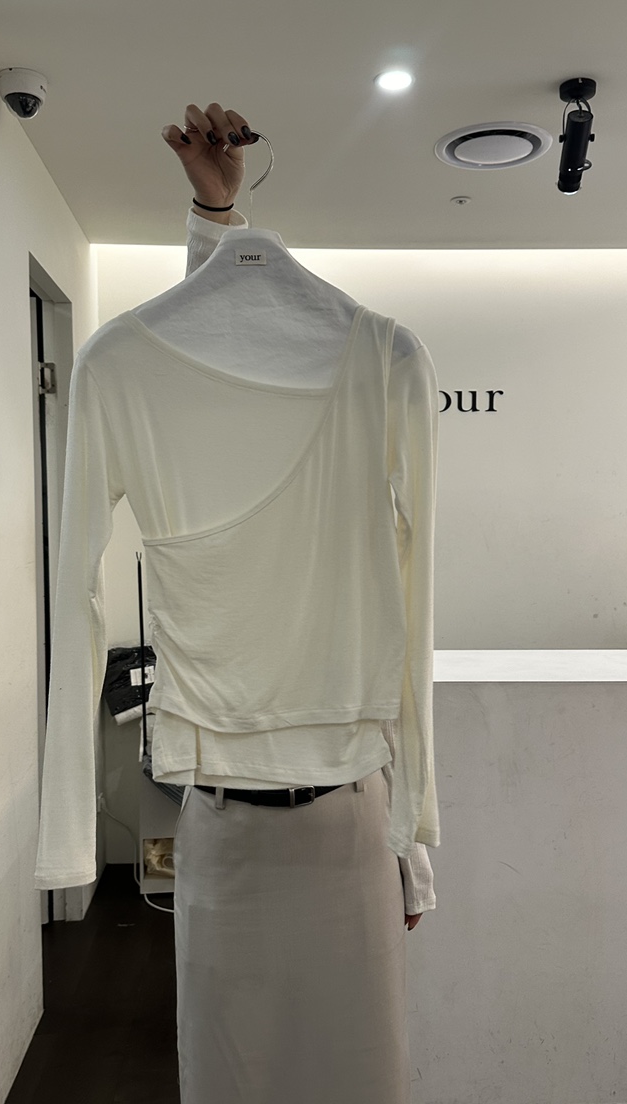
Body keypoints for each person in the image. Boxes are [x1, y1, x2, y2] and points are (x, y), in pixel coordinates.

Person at [160, 101, 433, 931]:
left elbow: (408, 617)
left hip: (349, 801)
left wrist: (412, 842)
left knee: (354, 1022)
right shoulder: (175, 393)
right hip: (221, 803)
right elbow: (201, 349)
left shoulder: (382, 363)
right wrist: (216, 219)